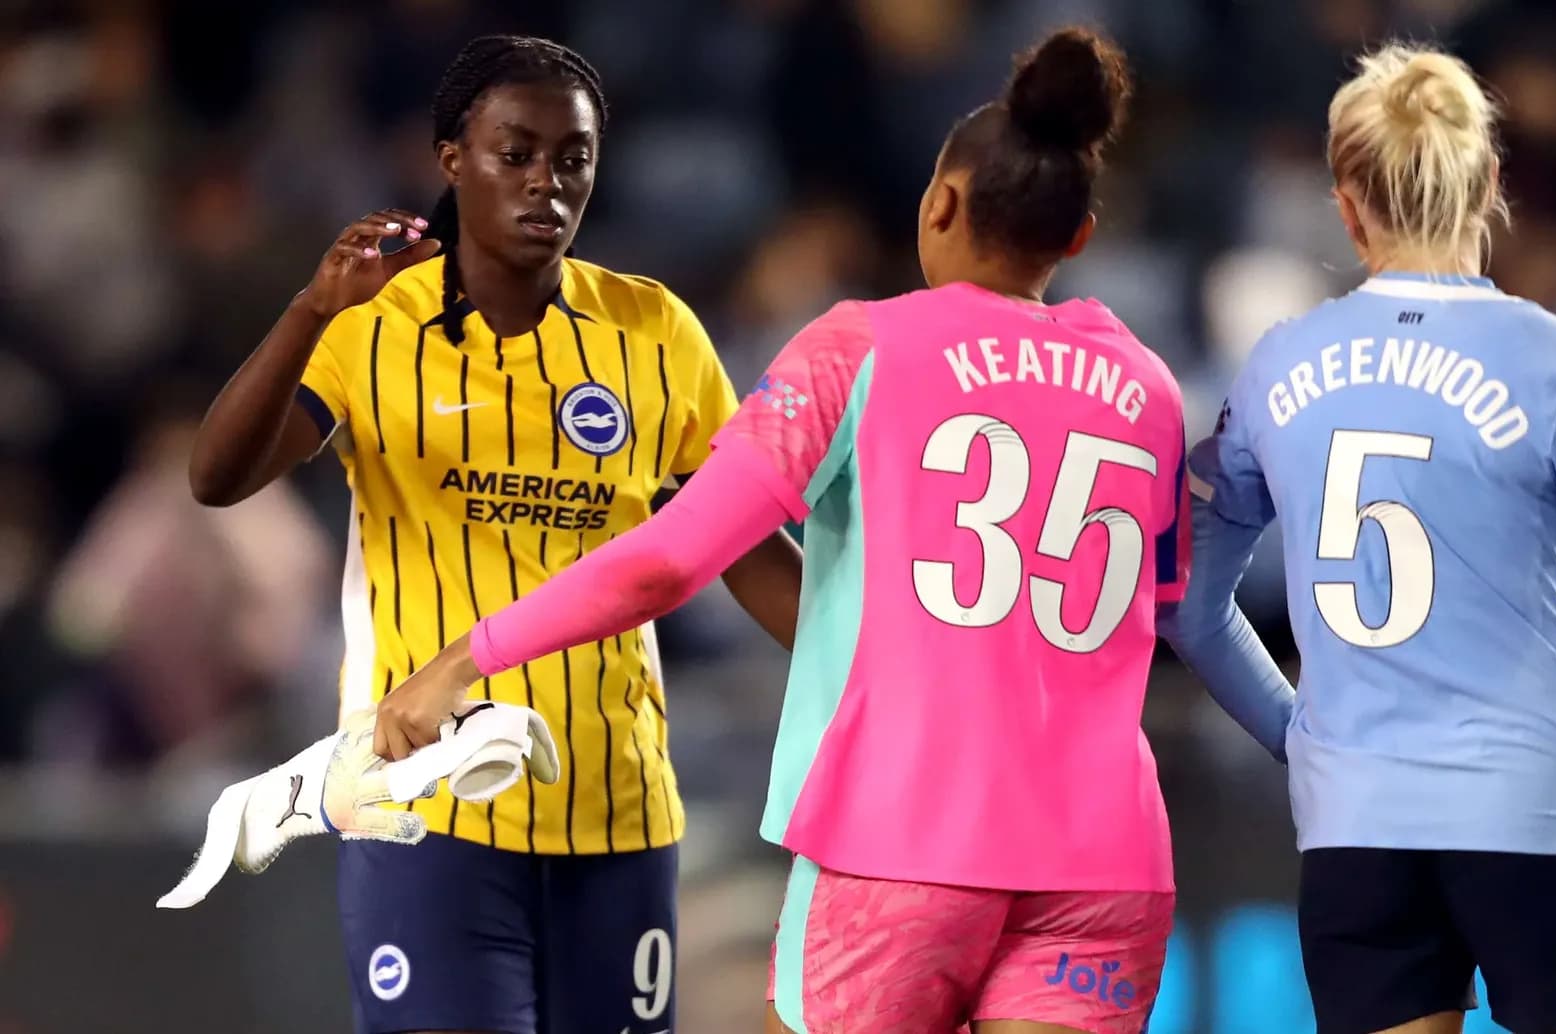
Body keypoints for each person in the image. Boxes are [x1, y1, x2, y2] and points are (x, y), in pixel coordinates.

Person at [387, 27, 1186, 1034]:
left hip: (902, 848)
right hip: (1104, 867)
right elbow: (1160, 620)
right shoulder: (1151, 390)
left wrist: (467, 656)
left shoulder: (864, 346)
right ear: (1078, 237)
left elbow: (672, 561)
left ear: (938, 204)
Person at [187, 35, 802, 1034]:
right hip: (425, 808)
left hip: (620, 813)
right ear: (451, 159)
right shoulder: (373, 321)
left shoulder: (656, 331)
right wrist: (309, 310)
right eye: (515, 154)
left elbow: (741, 545)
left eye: (573, 158)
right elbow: (218, 478)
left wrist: (884, 663)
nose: (546, 182)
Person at [1162, 45, 1556, 1034]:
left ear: (1347, 207)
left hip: (1355, 830)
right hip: (1538, 813)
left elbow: (1192, 606)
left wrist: (1301, 739)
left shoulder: (1275, 367)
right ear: (1492, 185)